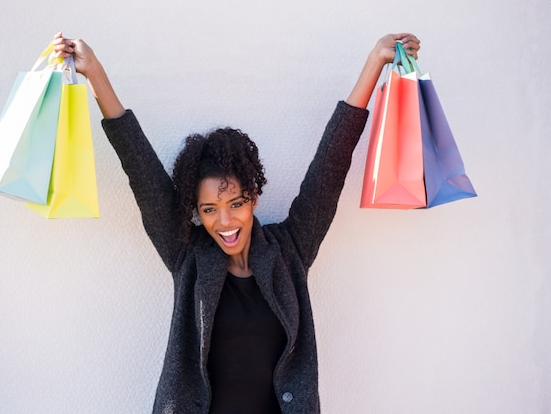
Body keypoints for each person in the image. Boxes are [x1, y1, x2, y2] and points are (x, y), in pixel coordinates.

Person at [53, 32, 420, 414]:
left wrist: (374, 63)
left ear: (254, 198)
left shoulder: (289, 251)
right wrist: (94, 72)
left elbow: (330, 166)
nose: (224, 220)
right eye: (209, 208)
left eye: (236, 203)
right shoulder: (188, 257)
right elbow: (139, 165)